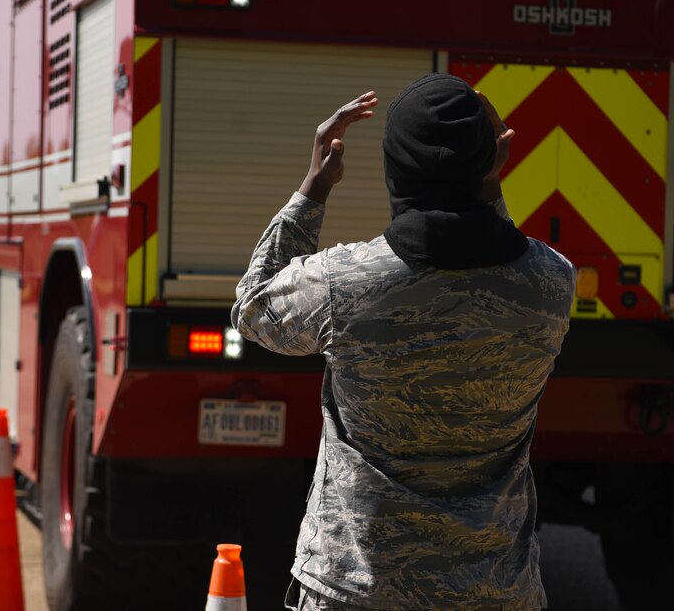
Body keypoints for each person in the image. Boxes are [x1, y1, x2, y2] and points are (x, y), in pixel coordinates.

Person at [231, 74, 575, 610]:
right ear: (491, 162)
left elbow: (253, 308)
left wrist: (313, 188)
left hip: (359, 591)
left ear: (395, 171)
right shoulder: (552, 282)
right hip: (496, 593)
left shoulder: (344, 283)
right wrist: (489, 180)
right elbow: (498, 250)